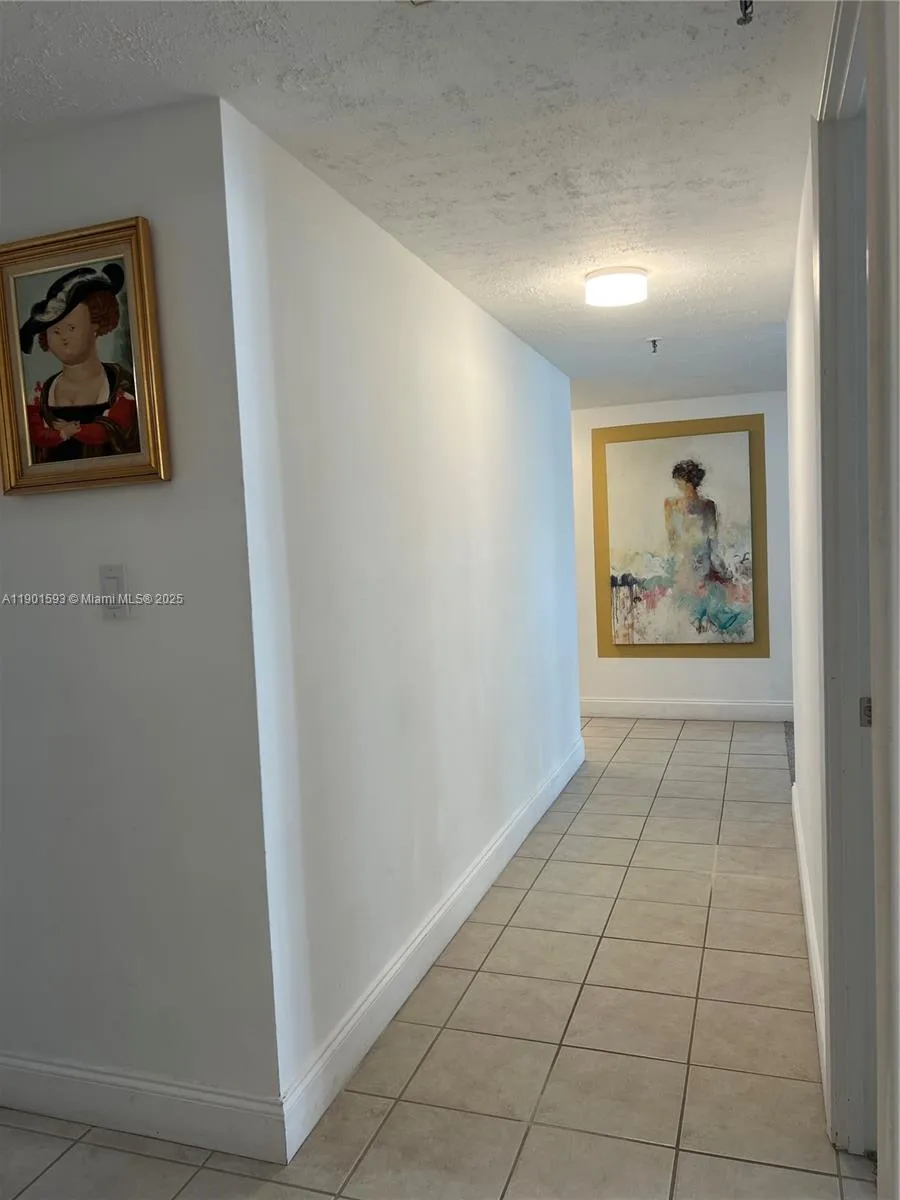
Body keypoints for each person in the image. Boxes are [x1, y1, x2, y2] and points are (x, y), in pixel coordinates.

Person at [18, 263, 140, 463]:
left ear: (96, 325)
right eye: (55, 331)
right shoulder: (40, 396)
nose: (63, 338)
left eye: (71, 328)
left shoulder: (121, 386)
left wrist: (75, 431)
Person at [664, 458, 738, 634]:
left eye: (681, 482)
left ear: (689, 482)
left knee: (702, 613)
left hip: (702, 565)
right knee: (683, 615)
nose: (679, 486)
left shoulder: (708, 506)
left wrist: (718, 568)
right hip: (683, 565)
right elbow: (672, 540)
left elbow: (712, 540)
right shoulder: (670, 505)